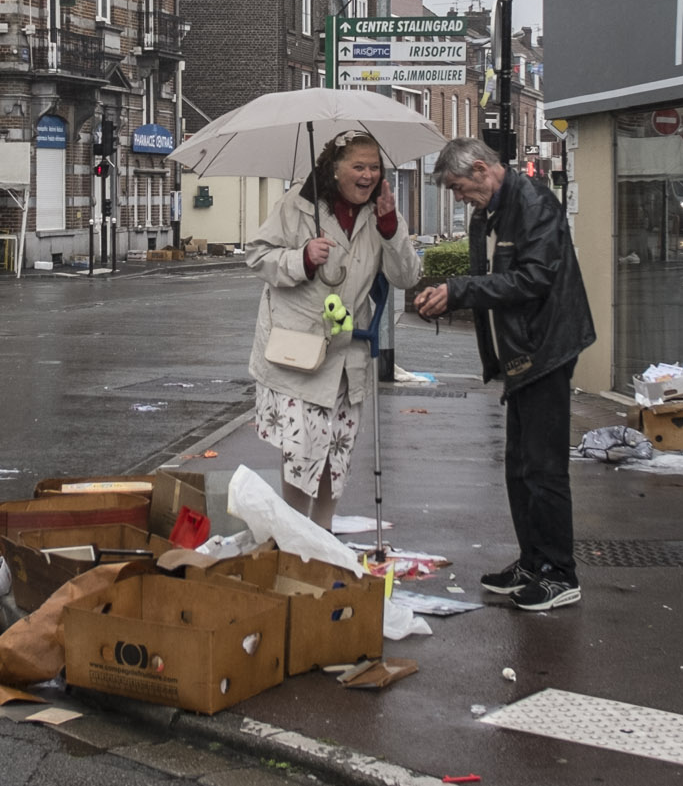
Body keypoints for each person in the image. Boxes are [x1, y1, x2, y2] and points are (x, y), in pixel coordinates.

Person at [414, 137, 595, 611]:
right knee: (520, 464)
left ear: (481, 169)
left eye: (458, 187)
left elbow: (535, 278)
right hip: (524, 353)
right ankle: (533, 561)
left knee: (543, 466)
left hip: (546, 349)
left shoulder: (533, 203)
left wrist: (459, 291)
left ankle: (559, 571)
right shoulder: (494, 210)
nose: (458, 198)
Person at [247, 130, 421, 529]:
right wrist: (302, 259)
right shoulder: (298, 205)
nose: (367, 175)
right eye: (358, 166)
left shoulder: (382, 213)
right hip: (297, 352)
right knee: (301, 449)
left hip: (346, 354)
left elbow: (408, 276)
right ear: (335, 168)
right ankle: (295, 533)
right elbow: (258, 257)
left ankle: (321, 533)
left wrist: (391, 227)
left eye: (374, 167)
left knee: (334, 452)